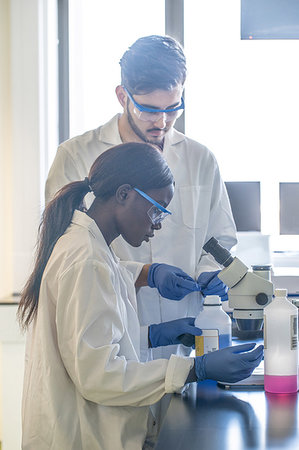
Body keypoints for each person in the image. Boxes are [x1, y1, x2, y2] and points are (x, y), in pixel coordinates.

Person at [18, 143, 263, 450]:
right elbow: (99, 375)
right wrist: (194, 370)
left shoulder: (91, 245)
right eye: (156, 208)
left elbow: (90, 341)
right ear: (123, 194)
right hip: (79, 437)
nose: (158, 223)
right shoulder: (87, 258)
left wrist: (152, 336)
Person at [45, 34, 237, 361]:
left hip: (185, 341)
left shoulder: (200, 159)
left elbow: (220, 236)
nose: (161, 122)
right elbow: (64, 252)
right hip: (112, 339)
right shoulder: (77, 155)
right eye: (149, 109)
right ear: (122, 96)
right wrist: (145, 274)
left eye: (172, 107)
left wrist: (209, 271)